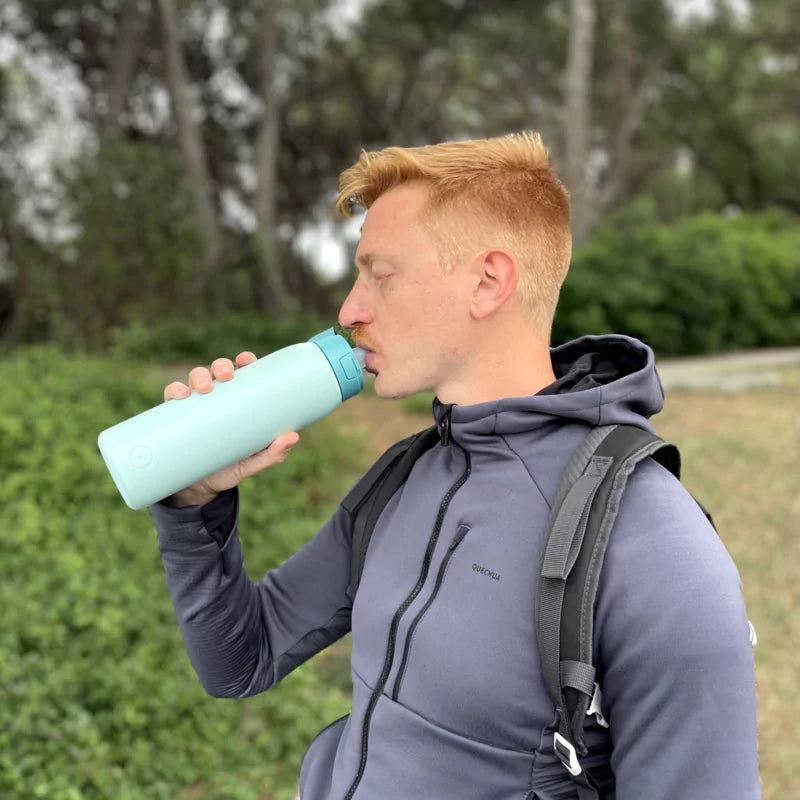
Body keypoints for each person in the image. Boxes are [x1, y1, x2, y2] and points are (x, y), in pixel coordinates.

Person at [151, 132, 760, 799]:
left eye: (380, 273)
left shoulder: (654, 546)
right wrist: (194, 505)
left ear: (487, 281)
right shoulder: (405, 479)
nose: (349, 310)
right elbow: (242, 660)